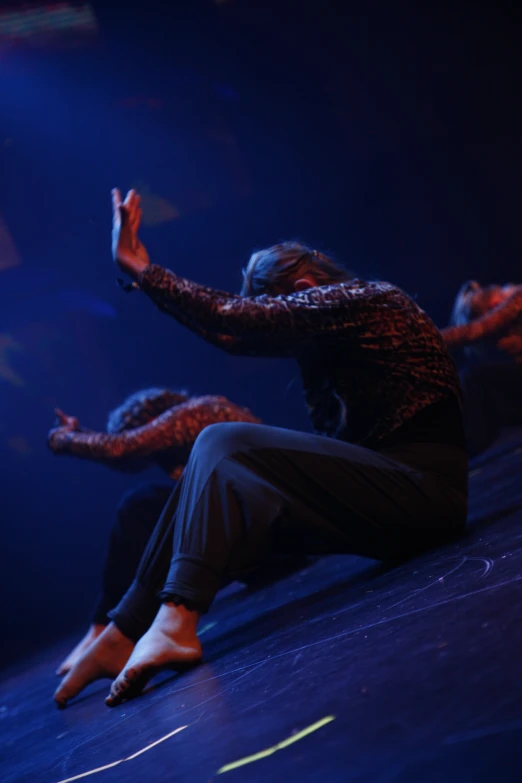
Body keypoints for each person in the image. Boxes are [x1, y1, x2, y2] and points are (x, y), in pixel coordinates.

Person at [53, 188, 468, 708]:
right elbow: (233, 334)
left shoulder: (372, 299)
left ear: (305, 288)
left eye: (277, 308)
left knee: (220, 440)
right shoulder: (331, 331)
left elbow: (233, 319)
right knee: (196, 475)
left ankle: (178, 617)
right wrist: (145, 275)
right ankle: (121, 633)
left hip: (426, 496)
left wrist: (143, 268)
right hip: (384, 506)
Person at [48, 388, 260, 675]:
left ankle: (113, 630)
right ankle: (113, 628)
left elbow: (122, 447)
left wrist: (64, 439)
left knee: (140, 504)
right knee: (153, 515)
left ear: (151, 417)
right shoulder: (176, 435)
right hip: (241, 539)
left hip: (266, 536)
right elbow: (124, 455)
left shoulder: (197, 412)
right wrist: (80, 431)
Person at [441, 280, 522, 456]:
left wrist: (425, 336)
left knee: (473, 377)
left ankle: (472, 448)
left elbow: (474, 330)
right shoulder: (508, 327)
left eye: (487, 310)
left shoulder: (517, 298)